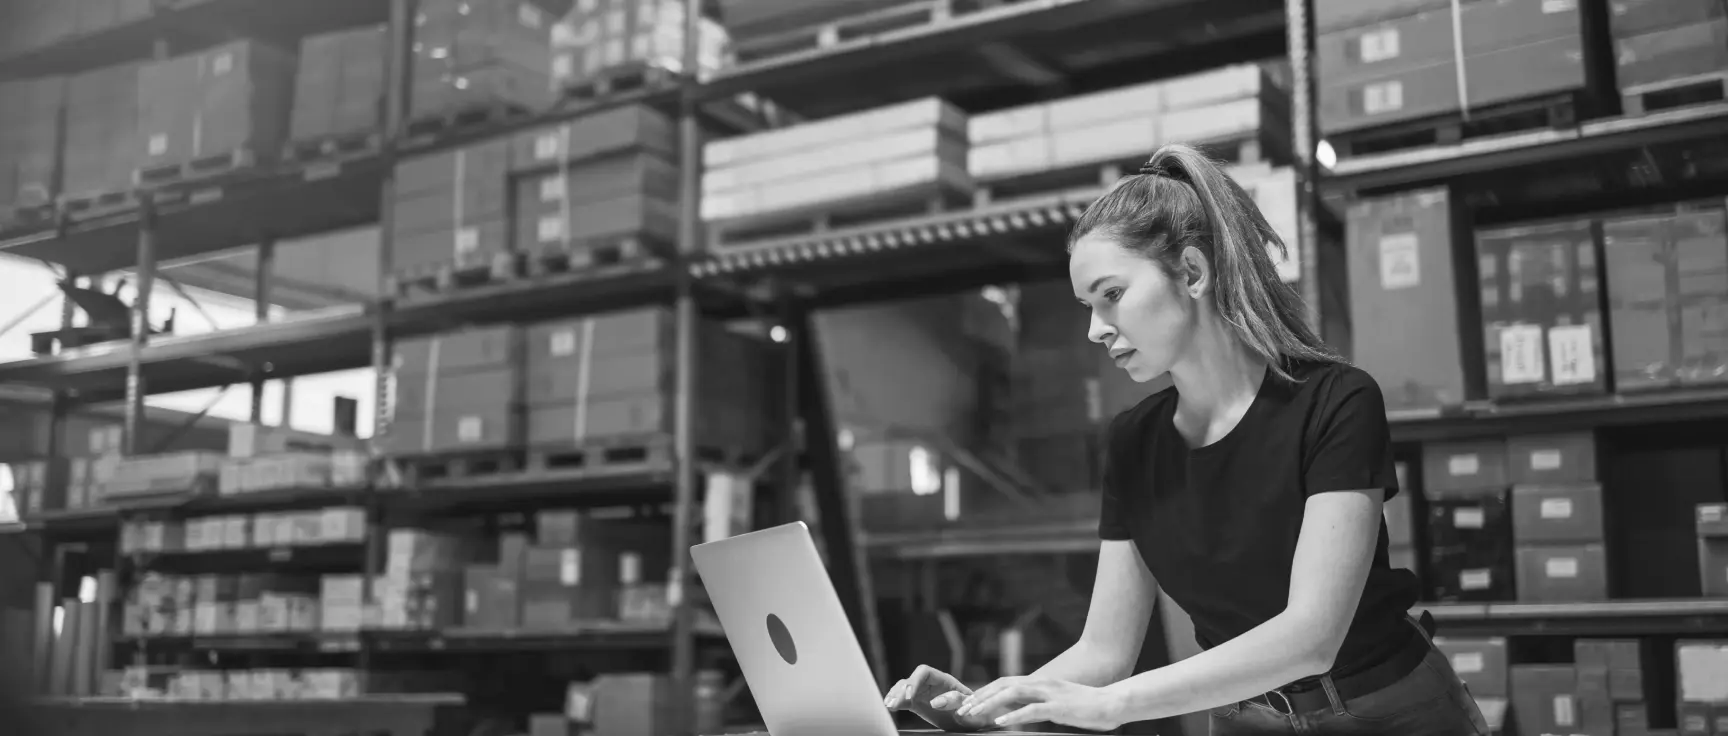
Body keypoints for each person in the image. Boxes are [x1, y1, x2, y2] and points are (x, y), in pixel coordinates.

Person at [883, 144, 1490, 735]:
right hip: (1246, 719)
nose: (1096, 329)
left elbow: (1312, 637)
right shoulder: (1134, 442)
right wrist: (983, 710)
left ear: (1193, 272)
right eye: (1086, 306)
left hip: (1392, 710)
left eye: (1111, 295)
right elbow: (1103, 651)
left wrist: (1113, 706)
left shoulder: (1336, 402)